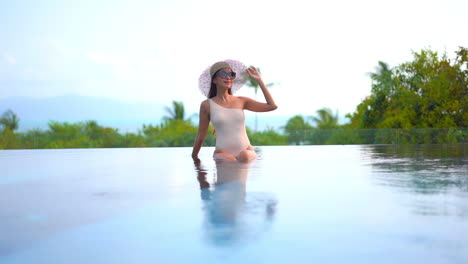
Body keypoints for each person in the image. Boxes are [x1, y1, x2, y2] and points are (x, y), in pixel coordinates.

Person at [192, 59, 277, 162]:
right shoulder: (206, 105)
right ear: (214, 80)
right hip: (222, 153)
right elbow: (201, 136)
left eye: (231, 74)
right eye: (223, 74)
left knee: (244, 156)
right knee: (229, 160)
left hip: (246, 151)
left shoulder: (241, 101)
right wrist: (194, 158)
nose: (228, 77)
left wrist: (259, 80)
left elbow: (272, 106)